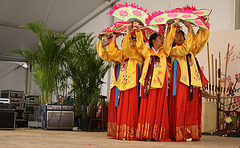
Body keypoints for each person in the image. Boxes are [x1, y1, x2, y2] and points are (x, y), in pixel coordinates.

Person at [135, 20, 179, 141]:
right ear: (153, 41)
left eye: (162, 38)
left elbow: (169, 41)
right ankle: (147, 134)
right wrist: (138, 30)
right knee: (148, 108)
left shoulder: (164, 52)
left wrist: (173, 27)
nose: (162, 40)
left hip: (160, 84)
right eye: (160, 38)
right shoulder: (147, 52)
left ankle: (157, 134)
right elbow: (139, 45)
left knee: (160, 108)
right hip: (148, 85)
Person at [168, 19, 209, 142]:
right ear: (171, 39)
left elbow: (200, 41)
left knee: (193, 108)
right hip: (181, 82)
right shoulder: (173, 50)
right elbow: (185, 49)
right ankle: (181, 133)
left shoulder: (190, 49)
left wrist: (204, 25)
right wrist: (190, 29)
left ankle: (191, 133)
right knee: (181, 107)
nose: (179, 37)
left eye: (181, 34)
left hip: (194, 82)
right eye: (176, 35)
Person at [108, 23, 144, 140]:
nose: (132, 40)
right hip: (124, 83)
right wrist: (114, 37)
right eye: (130, 38)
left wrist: (133, 31)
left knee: (133, 107)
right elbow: (113, 53)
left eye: (134, 38)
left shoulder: (139, 52)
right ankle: (123, 132)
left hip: (135, 83)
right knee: (124, 108)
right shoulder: (124, 54)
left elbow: (130, 49)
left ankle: (132, 132)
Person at [96, 34, 123, 137]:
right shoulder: (118, 55)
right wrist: (101, 41)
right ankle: (115, 131)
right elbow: (104, 55)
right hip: (116, 85)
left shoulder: (133, 55)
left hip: (128, 85)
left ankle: (124, 130)